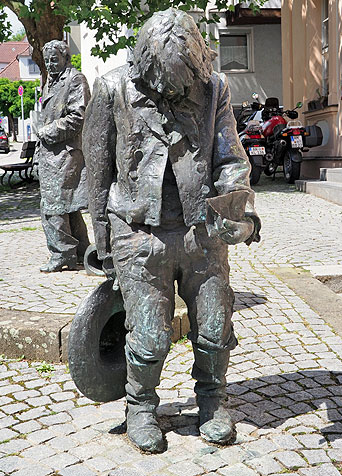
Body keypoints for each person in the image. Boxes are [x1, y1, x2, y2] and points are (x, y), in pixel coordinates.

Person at [83, 9, 261, 453]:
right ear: (144, 64)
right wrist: (103, 243)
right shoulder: (111, 88)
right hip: (138, 232)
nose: (174, 92)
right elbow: (97, 169)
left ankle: (213, 401)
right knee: (149, 335)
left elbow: (231, 159)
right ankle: (139, 407)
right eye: (164, 82)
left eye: (183, 84)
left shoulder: (214, 88)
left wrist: (240, 210)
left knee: (215, 326)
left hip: (202, 230)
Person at [36, 40, 90, 273]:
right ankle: (81, 251)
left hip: (64, 154)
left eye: (54, 59)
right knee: (67, 205)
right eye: (47, 60)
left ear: (66, 58)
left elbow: (79, 116)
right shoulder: (51, 82)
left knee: (52, 205)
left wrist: (47, 131)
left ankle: (63, 254)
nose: (49, 63)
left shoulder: (75, 80)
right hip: (53, 154)